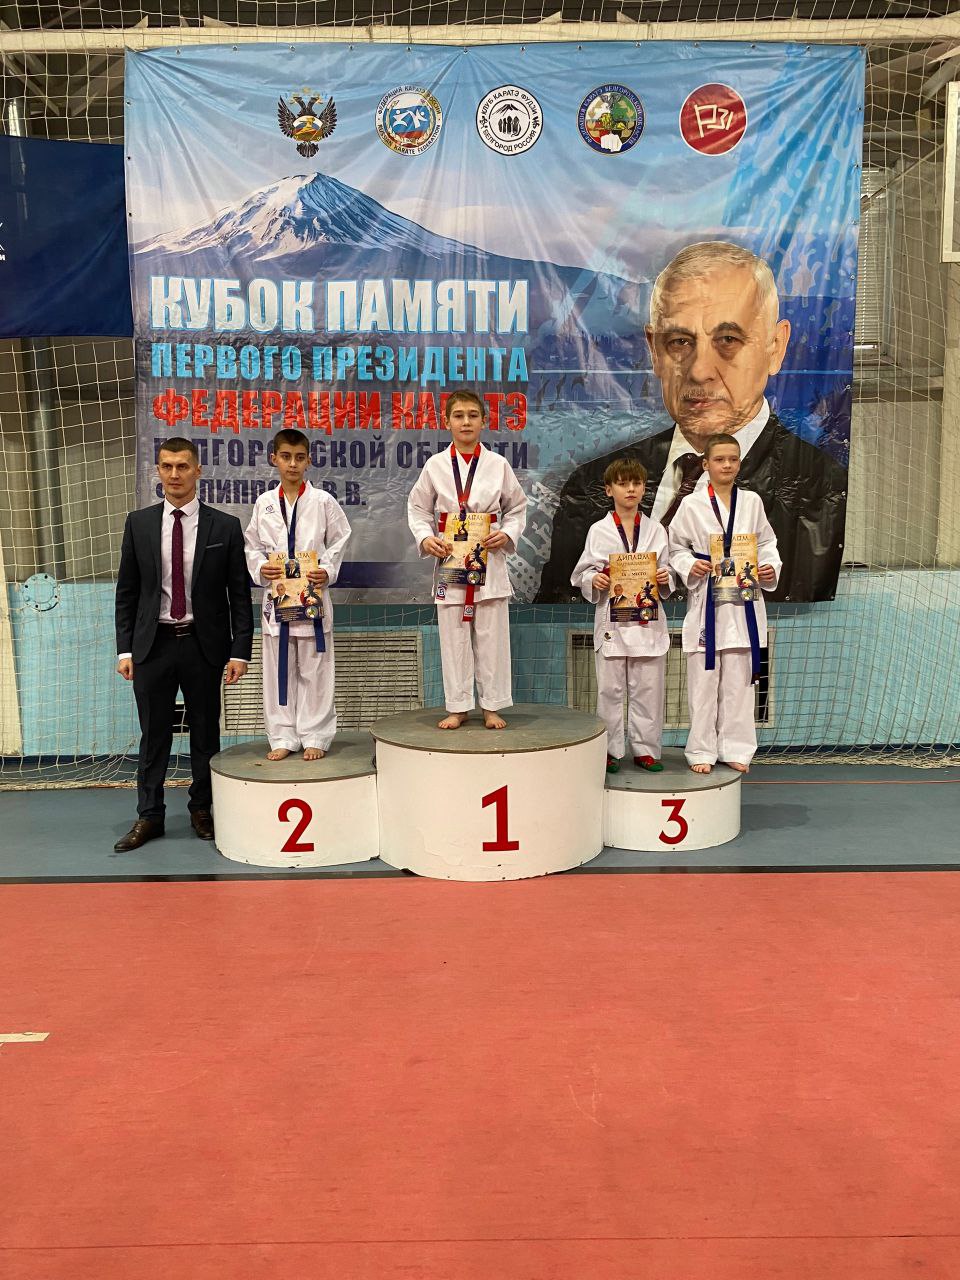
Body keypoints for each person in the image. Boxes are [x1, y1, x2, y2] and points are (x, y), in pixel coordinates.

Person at [536, 241, 846, 604]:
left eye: (728, 339)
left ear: (775, 346)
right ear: (654, 350)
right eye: (680, 341)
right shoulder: (591, 485)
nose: (699, 371)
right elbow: (560, 609)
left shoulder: (820, 488)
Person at [114, 437, 253, 850]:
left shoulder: (224, 526)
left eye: (182, 466)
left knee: (205, 734)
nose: (174, 474)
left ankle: (201, 809)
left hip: (203, 646)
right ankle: (149, 815)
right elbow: (127, 592)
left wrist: (239, 651)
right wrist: (125, 650)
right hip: (152, 646)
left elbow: (239, 595)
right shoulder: (138, 524)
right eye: (167, 466)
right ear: (158, 470)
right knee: (153, 734)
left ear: (198, 470)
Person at [407, 390, 527, 730]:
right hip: (451, 559)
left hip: (488, 556)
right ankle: (458, 706)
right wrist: (426, 538)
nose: (466, 422)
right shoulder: (435, 465)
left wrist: (508, 533)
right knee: (453, 638)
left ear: (483, 421)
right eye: (458, 416)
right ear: (446, 422)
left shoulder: (498, 464)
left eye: (473, 415)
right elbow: (418, 508)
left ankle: (492, 706)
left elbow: (517, 507)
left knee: (492, 638)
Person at [668, 433, 781, 775]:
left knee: (739, 685)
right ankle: (701, 749)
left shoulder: (752, 502)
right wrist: (690, 565)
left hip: (744, 603)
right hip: (708, 602)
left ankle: (737, 748)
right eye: (719, 459)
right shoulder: (691, 504)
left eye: (733, 459)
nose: (727, 465)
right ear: (706, 464)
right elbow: (675, 547)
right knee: (703, 686)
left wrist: (768, 566)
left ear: (740, 463)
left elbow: (768, 543)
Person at [244, 429, 351, 761]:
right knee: (278, 669)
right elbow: (252, 546)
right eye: (286, 457)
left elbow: (341, 538)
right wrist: (261, 567)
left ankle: (316, 734)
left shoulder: (323, 501)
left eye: (299, 458)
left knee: (315, 670)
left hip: (311, 596)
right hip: (278, 598)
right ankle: (282, 735)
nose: (293, 464)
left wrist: (327, 570)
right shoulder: (264, 503)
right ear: (274, 458)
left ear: (308, 461)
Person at [571, 459, 673, 773]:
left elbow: (667, 572)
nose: (631, 489)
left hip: (647, 621)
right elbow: (582, 573)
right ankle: (609, 750)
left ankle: (646, 750)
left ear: (644, 488)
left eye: (636, 483)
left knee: (648, 690)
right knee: (609, 691)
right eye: (623, 483)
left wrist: (666, 578)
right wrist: (595, 579)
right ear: (609, 489)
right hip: (612, 623)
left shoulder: (656, 529)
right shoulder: (599, 530)